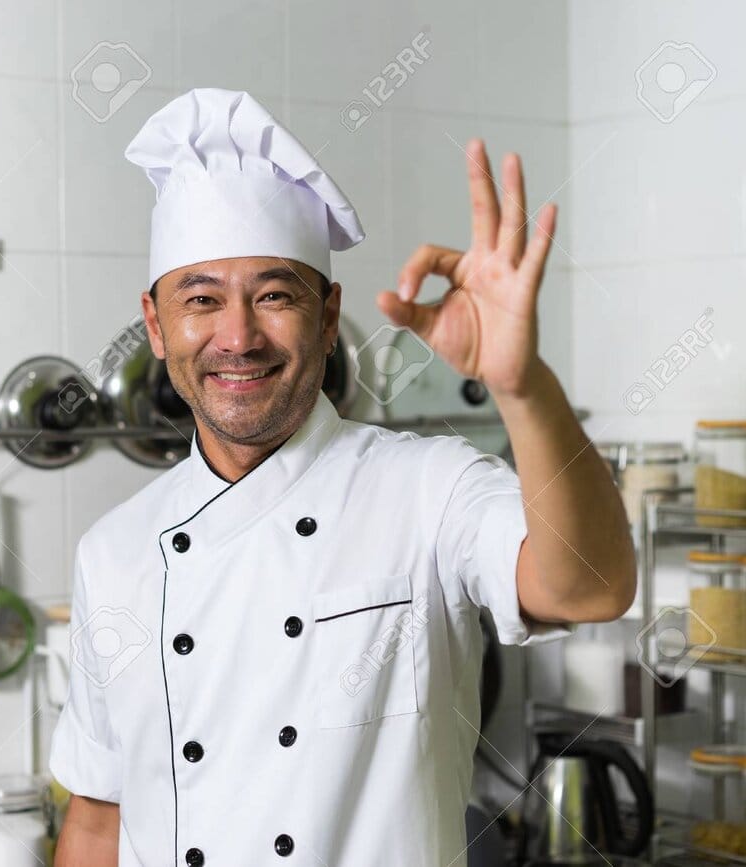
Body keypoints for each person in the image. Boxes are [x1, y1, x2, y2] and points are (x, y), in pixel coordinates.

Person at [50, 88, 635, 867]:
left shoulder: (425, 488)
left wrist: (523, 385)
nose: (238, 336)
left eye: (273, 295)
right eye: (201, 299)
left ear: (328, 317)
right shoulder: (113, 551)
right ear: (156, 326)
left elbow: (590, 586)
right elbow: (97, 819)